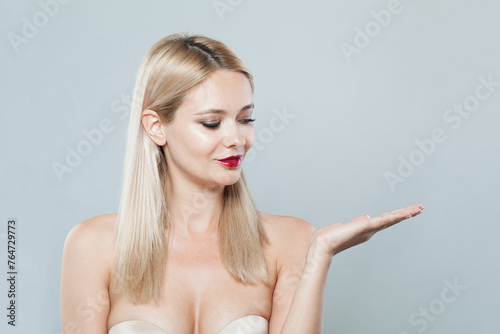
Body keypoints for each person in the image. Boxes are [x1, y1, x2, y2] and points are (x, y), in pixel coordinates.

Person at [60, 32, 423, 334]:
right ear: (156, 127)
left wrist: (319, 256)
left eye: (246, 119)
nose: (237, 139)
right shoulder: (93, 246)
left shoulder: (290, 241)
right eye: (212, 123)